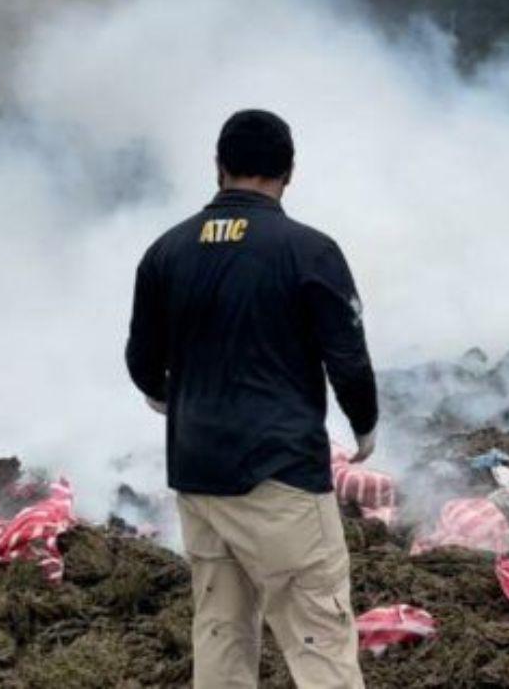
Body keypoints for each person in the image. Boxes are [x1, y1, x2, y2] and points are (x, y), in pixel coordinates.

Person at [126, 109, 378, 689]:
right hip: (281, 479)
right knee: (320, 639)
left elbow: (142, 362)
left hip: (198, 477)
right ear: (289, 172)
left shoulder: (166, 251)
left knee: (220, 633)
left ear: (219, 167)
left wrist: (168, 398)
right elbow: (348, 359)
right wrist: (364, 428)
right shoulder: (309, 251)